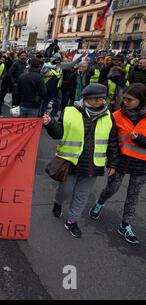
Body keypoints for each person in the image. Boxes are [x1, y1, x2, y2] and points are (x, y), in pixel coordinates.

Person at [43, 83, 119, 238]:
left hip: (93, 165)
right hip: (70, 161)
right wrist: (50, 124)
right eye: (94, 98)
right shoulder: (70, 111)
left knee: (82, 194)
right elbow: (59, 133)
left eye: (101, 98)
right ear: (85, 98)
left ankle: (72, 221)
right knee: (65, 191)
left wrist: (112, 163)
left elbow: (112, 141)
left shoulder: (109, 115)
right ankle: (58, 202)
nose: (98, 101)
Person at [89, 83, 146, 245]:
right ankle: (99, 203)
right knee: (112, 188)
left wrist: (139, 139)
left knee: (133, 196)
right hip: (120, 162)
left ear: (141, 100)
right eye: (124, 98)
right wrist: (112, 163)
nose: (125, 102)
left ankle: (125, 225)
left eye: (130, 100)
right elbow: (112, 141)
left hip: (141, 165)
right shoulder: (117, 115)